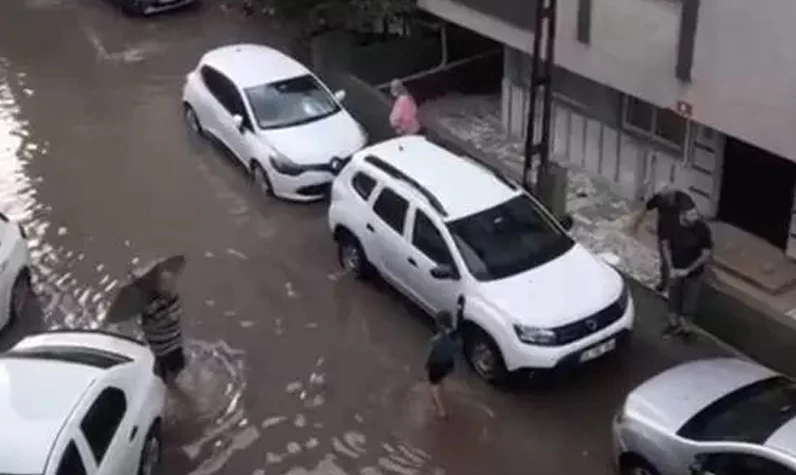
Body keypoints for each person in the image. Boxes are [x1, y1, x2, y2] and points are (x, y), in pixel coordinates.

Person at [628, 183, 696, 293]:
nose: (666, 200)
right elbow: (646, 208)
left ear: (673, 194)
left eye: (668, 198)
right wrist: (636, 223)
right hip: (664, 235)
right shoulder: (659, 198)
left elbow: (693, 216)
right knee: (664, 261)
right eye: (664, 198)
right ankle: (664, 284)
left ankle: (680, 287)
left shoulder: (683, 198)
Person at [664, 205, 713, 337]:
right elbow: (666, 246)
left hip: (693, 273)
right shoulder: (672, 225)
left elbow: (706, 254)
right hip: (675, 269)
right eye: (691, 215)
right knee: (673, 298)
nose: (695, 217)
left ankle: (686, 329)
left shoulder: (702, 229)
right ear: (682, 215)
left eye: (695, 214)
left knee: (690, 302)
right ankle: (672, 324)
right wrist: (671, 268)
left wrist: (688, 270)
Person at [137, 267, 187, 385]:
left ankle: (175, 390)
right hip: (174, 346)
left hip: (163, 351)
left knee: (167, 379)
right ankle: (173, 384)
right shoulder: (174, 304)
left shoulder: (149, 313)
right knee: (173, 369)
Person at [425, 311, 458, 419]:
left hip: (436, 364)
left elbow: (431, 350)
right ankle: (442, 386)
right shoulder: (455, 334)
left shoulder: (438, 339)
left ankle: (441, 411)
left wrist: (427, 364)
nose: (436, 323)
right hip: (448, 363)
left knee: (433, 387)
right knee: (441, 378)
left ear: (442, 324)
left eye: (438, 322)